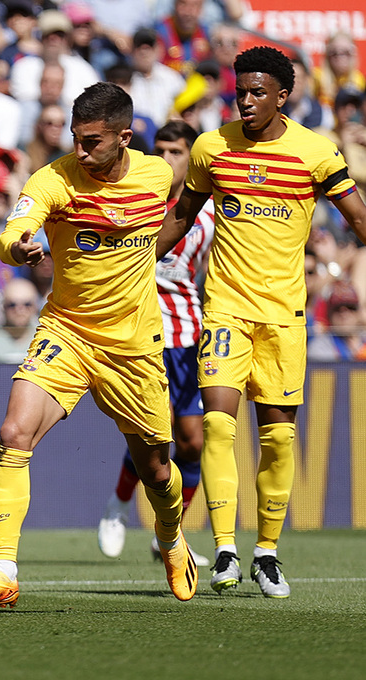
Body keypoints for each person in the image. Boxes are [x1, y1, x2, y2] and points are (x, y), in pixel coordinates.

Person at [0, 82, 197, 608]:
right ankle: (2, 569)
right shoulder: (54, 180)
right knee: (14, 431)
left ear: (124, 138)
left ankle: (173, 538)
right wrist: (19, 248)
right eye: (75, 139)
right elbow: (13, 229)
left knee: (156, 469)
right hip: (66, 331)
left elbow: (178, 219)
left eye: (92, 141)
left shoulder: (157, 177)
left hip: (133, 346)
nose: (81, 151)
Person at [156, 46, 366, 598]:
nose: (245, 102)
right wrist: (133, 255)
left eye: (257, 93)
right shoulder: (212, 147)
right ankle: (225, 548)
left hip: (285, 319)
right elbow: (182, 216)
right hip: (224, 308)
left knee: (277, 439)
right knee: (219, 426)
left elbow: (359, 218)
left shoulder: (316, 154)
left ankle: (267, 553)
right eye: (239, 91)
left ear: (282, 96)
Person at [97, 121, 214, 566]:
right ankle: (119, 507)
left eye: (176, 152)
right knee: (155, 429)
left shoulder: (210, 213)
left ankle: (171, 534)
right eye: (160, 150)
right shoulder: (137, 197)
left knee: (192, 443)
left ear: (192, 158)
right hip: (140, 331)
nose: (166, 160)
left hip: (187, 333)